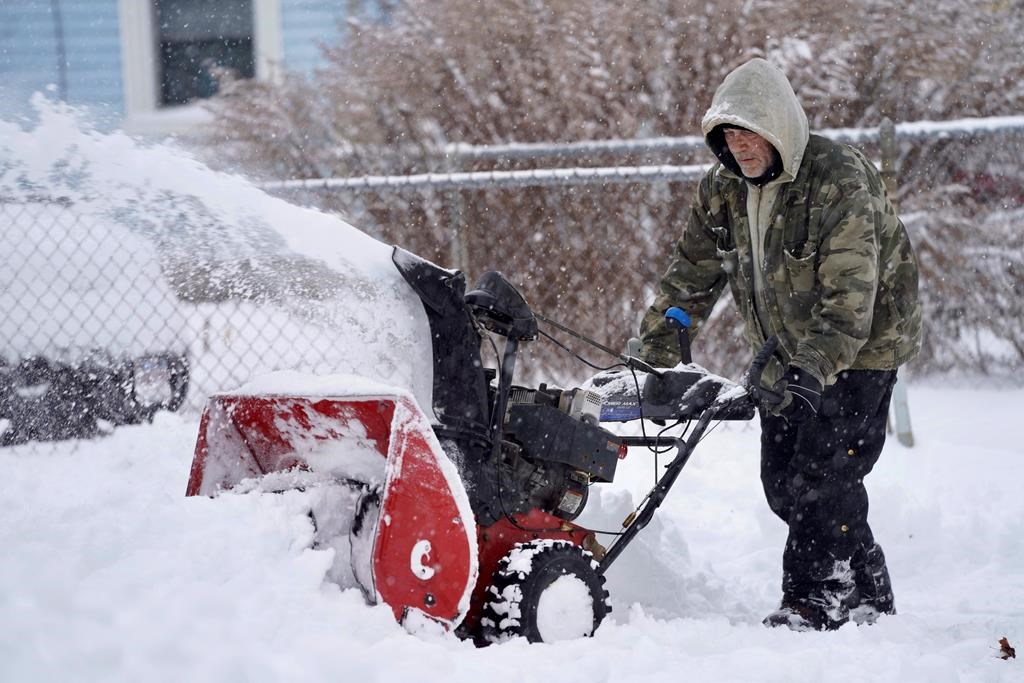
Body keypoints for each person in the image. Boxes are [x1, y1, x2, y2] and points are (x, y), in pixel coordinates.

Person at [637, 58, 922, 631]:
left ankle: (813, 599)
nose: (739, 146)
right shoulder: (722, 190)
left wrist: (816, 363)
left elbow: (851, 296)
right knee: (783, 485)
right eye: (728, 135)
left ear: (779, 129)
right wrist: (652, 354)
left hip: (862, 348)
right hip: (782, 352)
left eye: (751, 133)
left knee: (824, 475)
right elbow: (690, 278)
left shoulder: (837, 178)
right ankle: (867, 583)